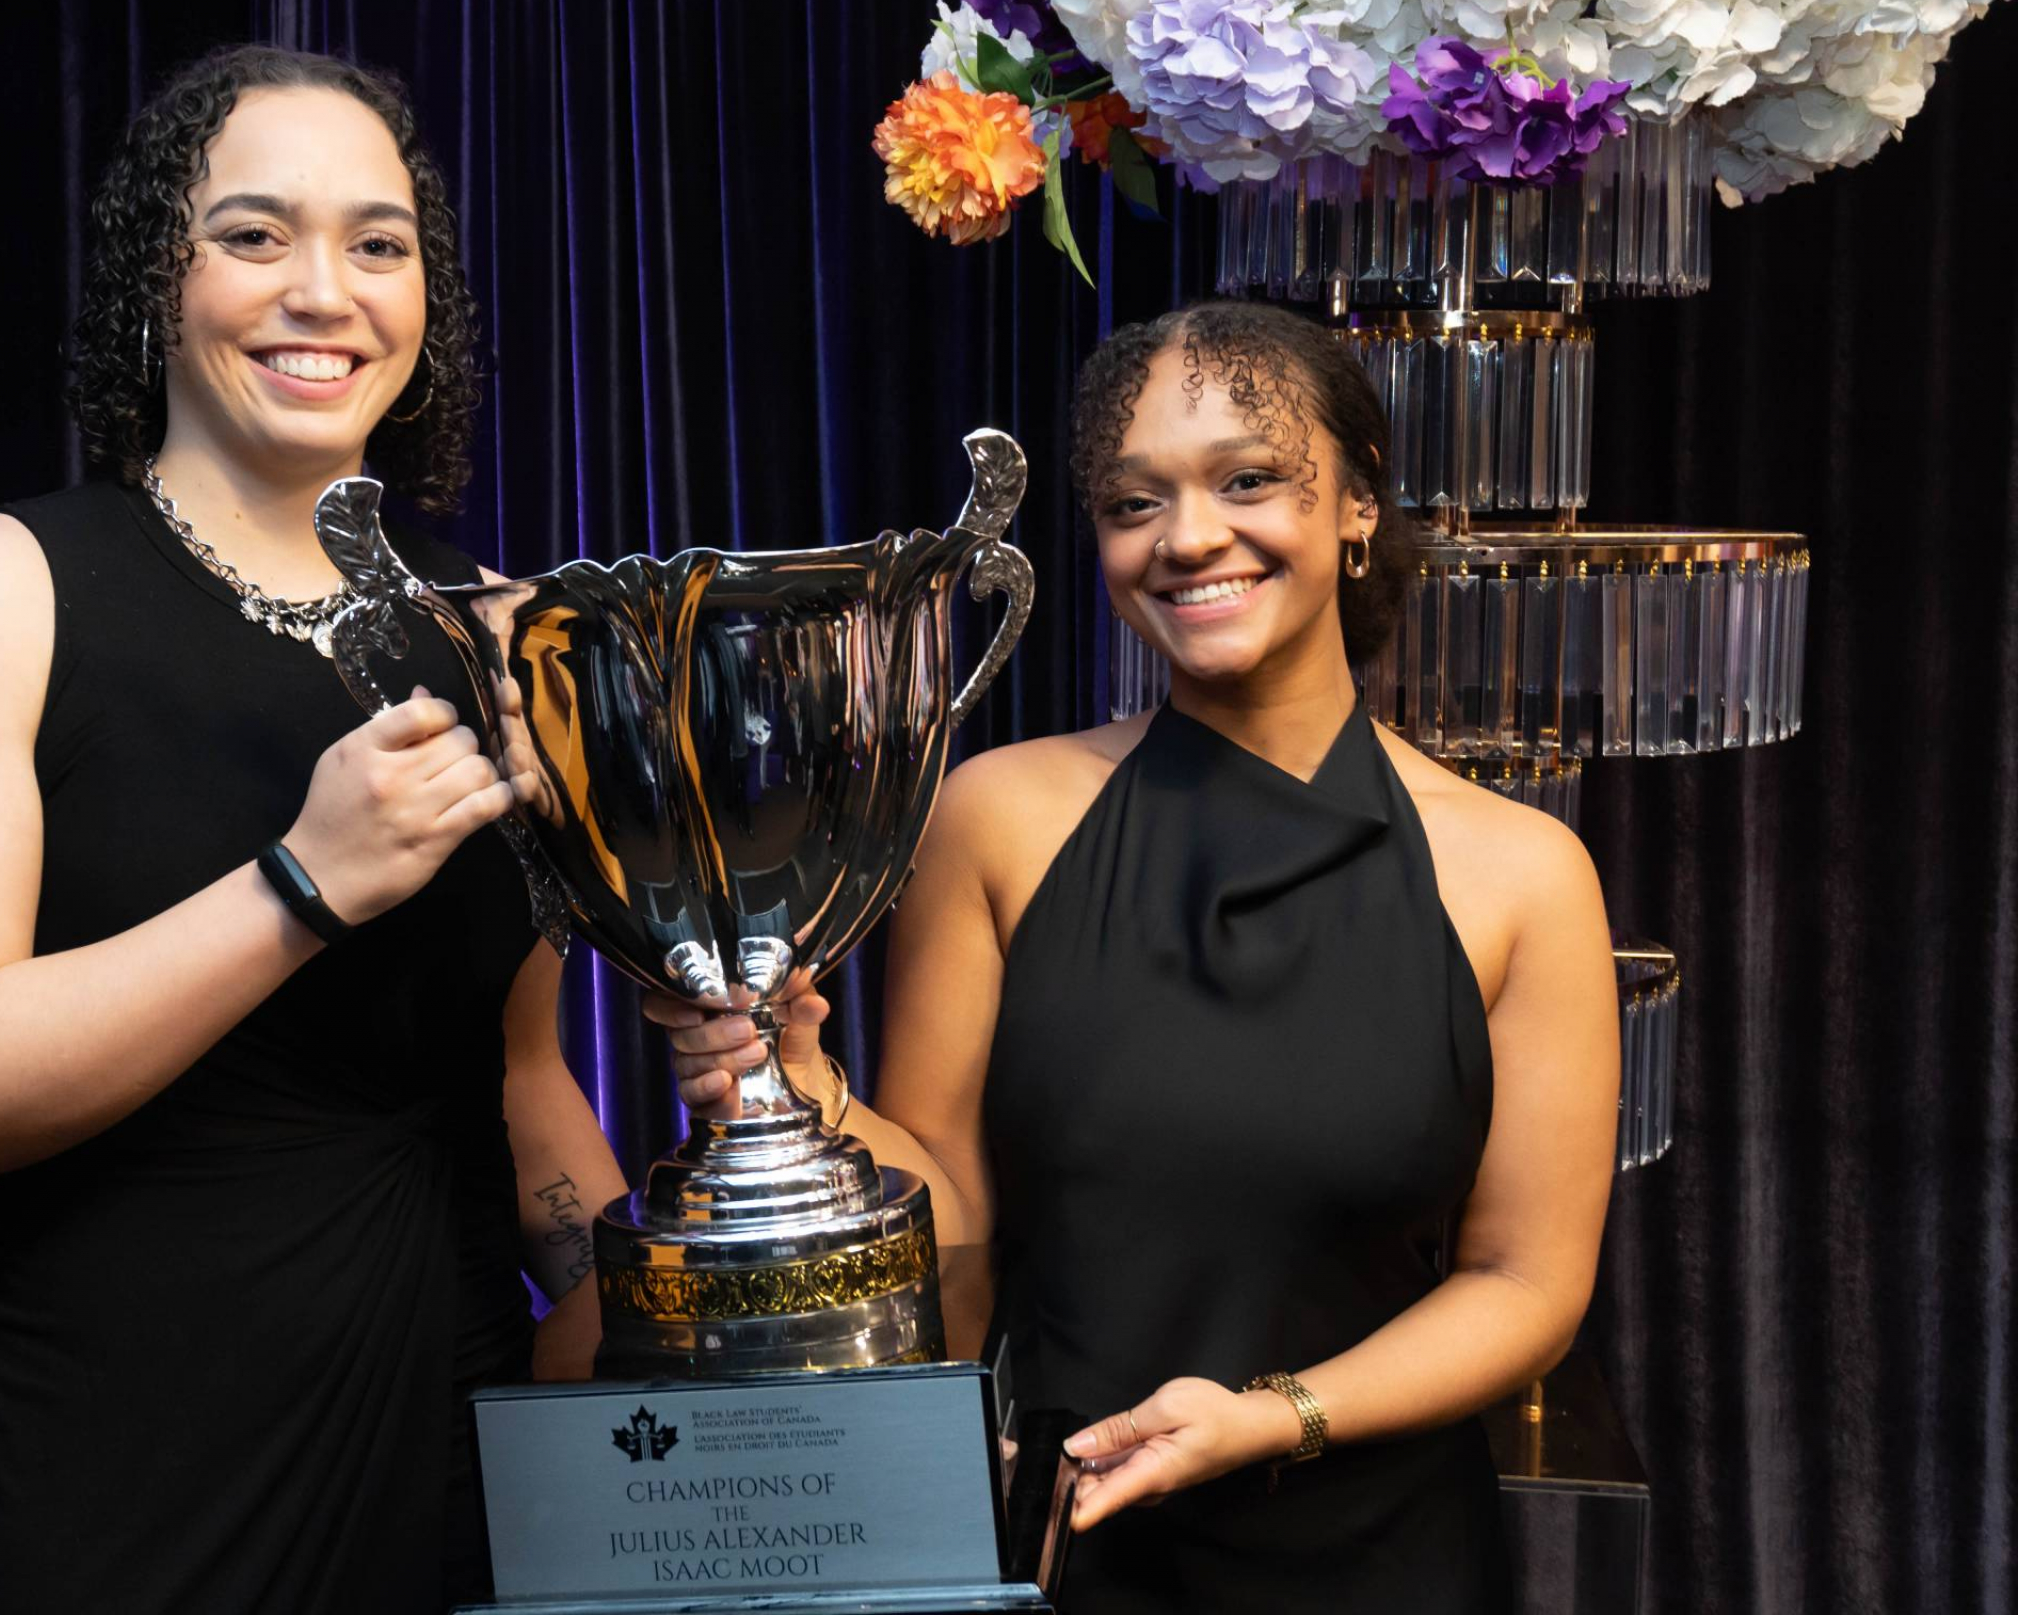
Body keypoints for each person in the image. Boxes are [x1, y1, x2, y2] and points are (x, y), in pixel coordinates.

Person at [0, 45, 625, 1612]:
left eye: (377, 245)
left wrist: (663, 1297)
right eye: (254, 236)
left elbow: (520, 1082)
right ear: (155, 281)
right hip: (114, 1484)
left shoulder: (505, 632)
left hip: (455, 1467)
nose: (325, 291)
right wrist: (303, 883)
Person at [651, 301, 1618, 1612]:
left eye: (1249, 479)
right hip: (1073, 1557)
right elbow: (959, 1226)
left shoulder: (1521, 876)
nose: (1190, 538)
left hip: (1380, 1560)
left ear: (1357, 503)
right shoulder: (995, 817)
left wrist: (1271, 1417)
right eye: (1132, 501)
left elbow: (1530, 1288)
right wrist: (796, 1080)